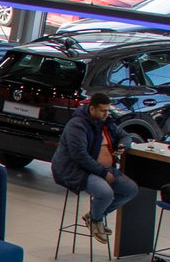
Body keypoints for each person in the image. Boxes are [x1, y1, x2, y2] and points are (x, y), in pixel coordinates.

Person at [52, 92, 141, 245]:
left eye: (108, 110)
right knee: (105, 193)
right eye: (103, 111)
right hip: (79, 170)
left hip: (105, 169)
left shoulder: (106, 122)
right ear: (92, 109)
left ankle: (94, 217)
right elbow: (79, 156)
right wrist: (103, 173)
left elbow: (126, 136)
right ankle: (96, 221)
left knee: (130, 190)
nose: (106, 114)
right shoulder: (77, 125)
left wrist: (122, 145)